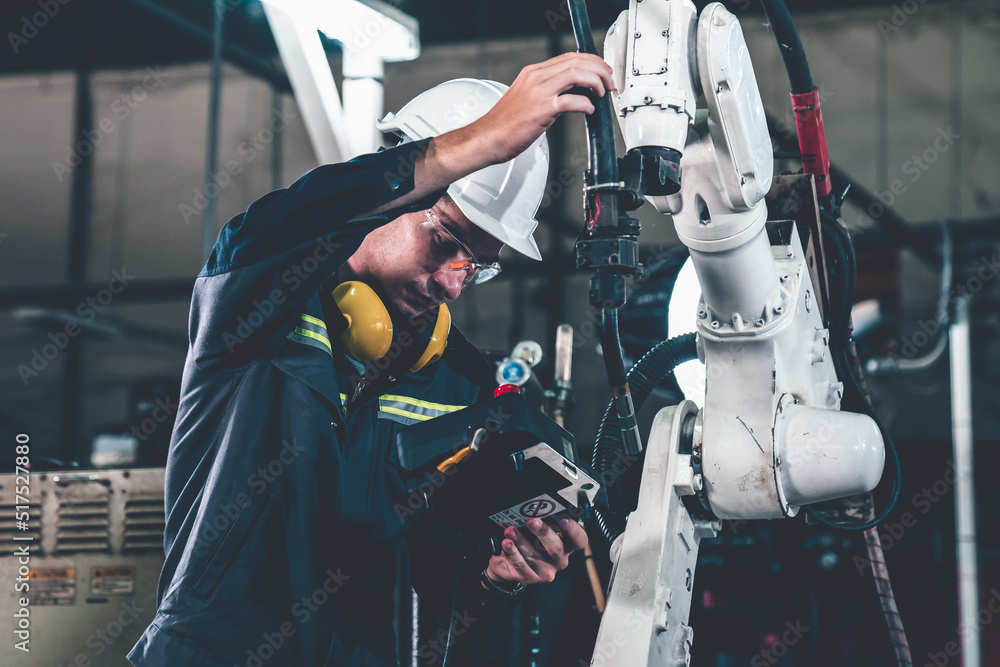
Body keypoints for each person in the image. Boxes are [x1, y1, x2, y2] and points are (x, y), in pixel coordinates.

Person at [128, 52, 615, 667]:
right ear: (394, 195)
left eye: (476, 264)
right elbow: (283, 223)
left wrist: (499, 575)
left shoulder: (458, 385)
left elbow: (441, 579)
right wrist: (472, 146)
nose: (453, 283)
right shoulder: (259, 305)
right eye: (445, 242)